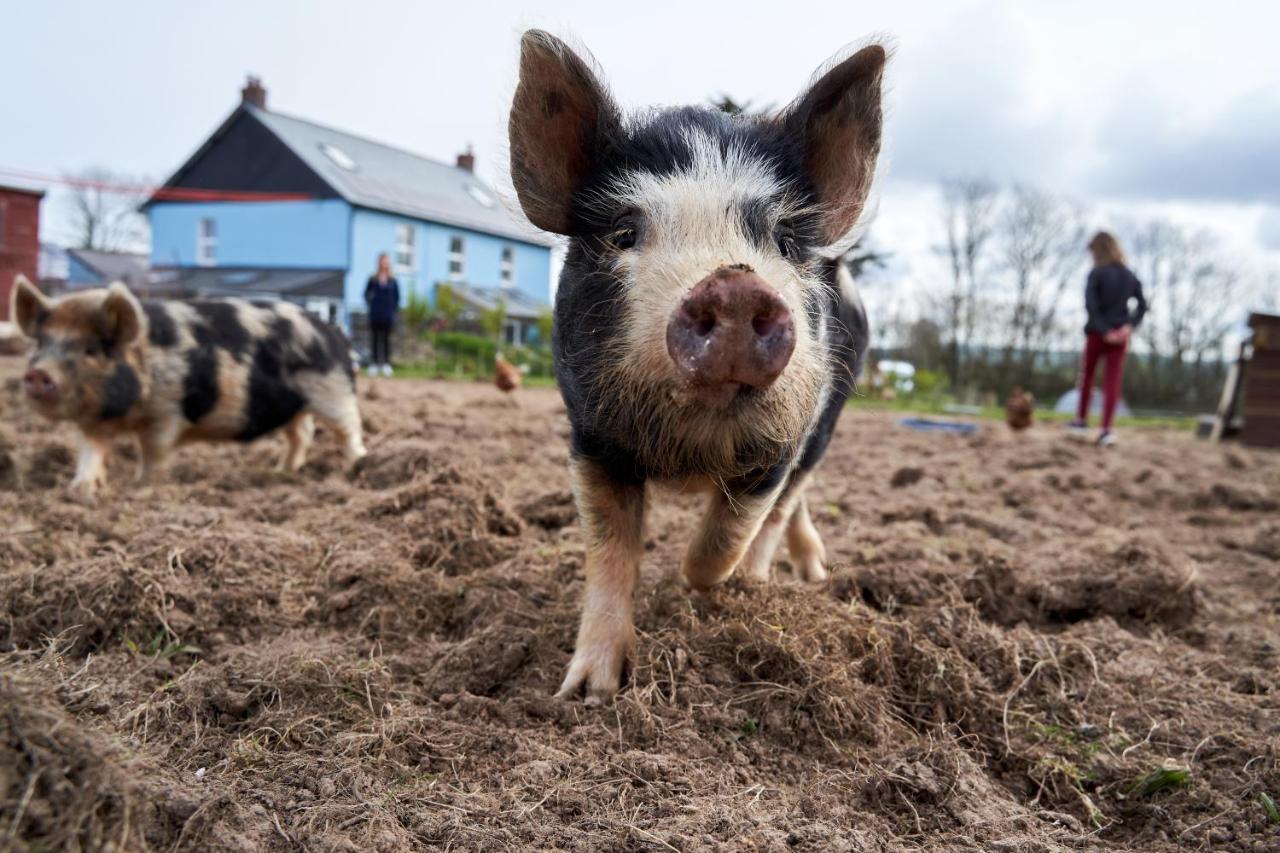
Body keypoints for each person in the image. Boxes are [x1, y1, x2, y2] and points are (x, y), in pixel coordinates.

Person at [1068, 231, 1146, 446]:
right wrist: (1128, 327)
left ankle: (1081, 420)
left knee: (1087, 377)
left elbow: (1091, 306)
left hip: (1097, 334)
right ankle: (1106, 430)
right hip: (1120, 336)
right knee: (1112, 382)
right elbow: (1142, 305)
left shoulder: (1097, 273)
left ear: (1098, 250)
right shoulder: (1129, 276)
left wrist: (1104, 331)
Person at [363, 253, 400, 377]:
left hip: (388, 315)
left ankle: (386, 365)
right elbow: (366, 295)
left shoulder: (393, 280)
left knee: (386, 340)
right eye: (382, 261)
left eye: (386, 261)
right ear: (379, 263)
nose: (384, 263)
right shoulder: (373, 279)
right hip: (375, 315)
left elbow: (397, 298)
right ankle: (374, 364)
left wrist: (392, 310)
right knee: (374, 339)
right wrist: (372, 303)